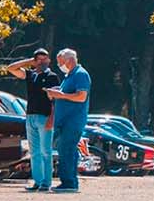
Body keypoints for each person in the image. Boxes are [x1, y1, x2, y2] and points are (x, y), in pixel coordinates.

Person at [6, 47, 60, 191]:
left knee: (46, 151)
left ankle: (46, 183)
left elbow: (56, 100)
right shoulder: (30, 75)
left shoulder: (52, 77)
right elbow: (11, 68)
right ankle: (37, 181)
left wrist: (51, 119)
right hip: (30, 116)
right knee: (34, 152)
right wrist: (29, 61)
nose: (43, 62)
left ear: (49, 60)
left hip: (45, 117)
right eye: (39, 59)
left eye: (45, 59)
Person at [46, 48, 91, 192]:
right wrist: (56, 91)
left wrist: (60, 95)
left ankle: (70, 183)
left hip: (73, 121)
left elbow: (81, 96)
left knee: (67, 150)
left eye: (61, 62)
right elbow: (67, 92)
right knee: (65, 150)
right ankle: (68, 181)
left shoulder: (80, 74)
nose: (60, 66)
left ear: (70, 60)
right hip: (65, 121)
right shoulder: (69, 75)